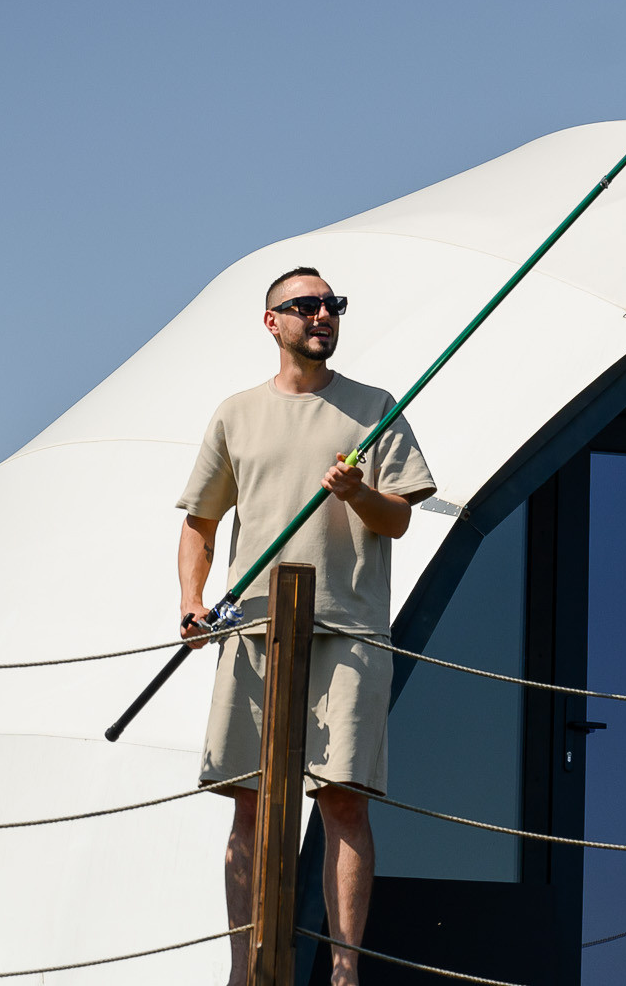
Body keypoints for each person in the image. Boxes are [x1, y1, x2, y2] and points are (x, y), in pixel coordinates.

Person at [176, 266, 437, 986]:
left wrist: (358, 494)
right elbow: (200, 522)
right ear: (273, 322)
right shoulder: (236, 412)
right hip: (256, 629)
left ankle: (345, 972)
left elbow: (400, 519)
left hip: (347, 629)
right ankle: (243, 969)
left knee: (342, 799)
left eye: (333, 304)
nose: (323, 313)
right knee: (252, 802)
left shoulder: (375, 409)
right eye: (306, 304)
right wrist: (192, 601)